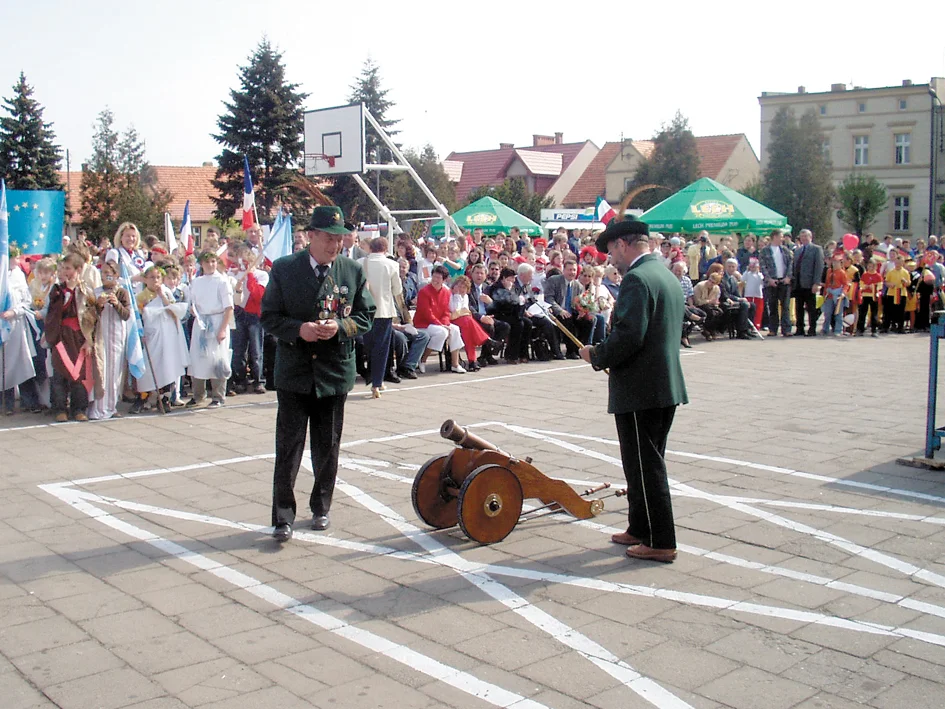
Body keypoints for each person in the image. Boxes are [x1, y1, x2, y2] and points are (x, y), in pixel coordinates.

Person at [262, 206, 375, 544]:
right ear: (311, 235)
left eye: (339, 238)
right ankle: (282, 516)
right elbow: (268, 317)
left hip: (333, 372)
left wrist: (340, 326)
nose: (335, 245)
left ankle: (321, 507)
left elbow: (367, 315)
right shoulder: (284, 269)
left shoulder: (351, 270)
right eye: (329, 237)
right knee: (289, 448)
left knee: (327, 447)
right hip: (295, 373)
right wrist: (300, 329)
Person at [579, 218, 687, 563]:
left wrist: (596, 354)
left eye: (612, 251)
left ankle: (660, 540)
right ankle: (640, 526)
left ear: (624, 244)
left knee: (646, 466)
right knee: (640, 462)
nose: (611, 260)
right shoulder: (665, 274)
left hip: (642, 388)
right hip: (660, 385)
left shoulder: (638, 279)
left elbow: (629, 335)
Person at [45, 253, 98, 422]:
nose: (65, 272)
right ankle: (60, 408)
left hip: (79, 336)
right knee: (60, 373)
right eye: (63, 268)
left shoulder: (86, 290)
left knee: (80, 374)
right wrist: (67, 293)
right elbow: (54, 311)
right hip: (61, 335)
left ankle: (79, 408)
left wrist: (89, 339)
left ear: (78, 270)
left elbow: (91, 317)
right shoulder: (57, 290)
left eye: (68, 268)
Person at [132, 266, 190, 413]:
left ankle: (165, 397)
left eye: (158, 277)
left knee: (167, 365)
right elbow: (139, 318)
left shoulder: (166, 293)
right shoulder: (140, 296)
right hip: (150, 335)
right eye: (152, 277)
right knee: (149, 367)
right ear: (145, 279)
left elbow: (173, 311)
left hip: (166, 335)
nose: (155, 280)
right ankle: (144, 396)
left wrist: (162, 296)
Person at [187, 251, 234, 408]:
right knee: (198, 358)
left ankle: (218, 396)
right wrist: (194, 311)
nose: (211, 265)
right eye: (207, 262)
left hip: (217, 321)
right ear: (202, 264)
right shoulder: (197, 282)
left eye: (213, 261)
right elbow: (192, 302)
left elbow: (229, 308)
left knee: (217, 360)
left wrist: (221, 329)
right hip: (201, 323)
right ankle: (198, 395)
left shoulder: (222, 281)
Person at [88, 261, 131, 420]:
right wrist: (98, 305)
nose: (105, 275)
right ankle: (98, 406)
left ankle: (111, 406)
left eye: (109, 272)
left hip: (116, 334)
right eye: (103, 272)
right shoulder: (96, 291)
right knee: (101, 370)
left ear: (116, 275)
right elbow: (91, 314)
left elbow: (126, 315)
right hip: (101, 334)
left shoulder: (122, 292)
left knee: (115, 371)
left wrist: (116, 303)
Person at [361, 237, 403, 397]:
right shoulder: (392, 264)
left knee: (369, 346)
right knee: (381, 347)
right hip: (384, 310)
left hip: (365, 311)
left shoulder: (360, 262)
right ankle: (377, 383)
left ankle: (371, 377)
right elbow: (397, 289)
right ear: (385, 249)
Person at [414, 265, 466, 374]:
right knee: (442, 332)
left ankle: (455, 364)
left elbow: (446, 311)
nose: (435, 280)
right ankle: (423, 360)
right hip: (423, 324)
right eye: (434, 277)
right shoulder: (424, 292)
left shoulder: (446, 292)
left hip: (438, 323)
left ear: (444, 280)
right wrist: (441, 325)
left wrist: (445, 323)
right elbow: (427, 313)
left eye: (439, 278)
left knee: (455, 329)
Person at [449, 276, 492, 372]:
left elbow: (466, 312)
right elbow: (455, 310)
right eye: (459, 286)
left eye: (464, 287)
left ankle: (472, 361)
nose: (461, 289)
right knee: (467, 320)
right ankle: (484, 342)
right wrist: (457, 296)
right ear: (454, 286)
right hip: (452, 320)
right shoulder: (451, 296)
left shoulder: (466, 297)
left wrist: (462, 312)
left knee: (468, 331)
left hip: (464, 321)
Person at [759, 229, 794, 336]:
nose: (782, 239)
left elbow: (790, 264)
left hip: (784, 281)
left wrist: (788, 277)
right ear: (774, 237)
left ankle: (786, 329)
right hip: (771, 282)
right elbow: (763, 266)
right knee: (772, 305)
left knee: (785, 306)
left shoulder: (785, 250)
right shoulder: (765, 251)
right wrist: (769, 279)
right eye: (781, 236)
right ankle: (773, 329)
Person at [792, 229, 824, 336]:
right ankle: (799, 328)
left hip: (810, 283)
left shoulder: (816, 249)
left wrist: (817, 282)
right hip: (799, 283)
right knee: (798, 307)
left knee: (811, 307)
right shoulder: (797, 251)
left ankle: (812, 328)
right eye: (802, 236)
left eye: (806, 236)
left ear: (810, 237)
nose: (804, 238)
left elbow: (819, 267)